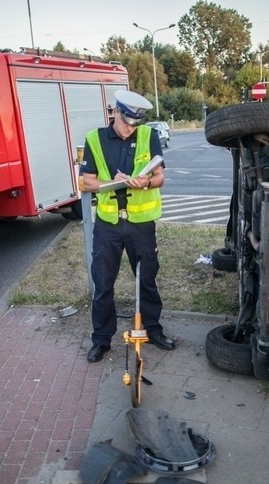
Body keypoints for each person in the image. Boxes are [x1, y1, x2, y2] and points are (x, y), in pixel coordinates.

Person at [80, 89, 175, 363]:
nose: (129, 129)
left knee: (146, 280)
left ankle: (153, 330)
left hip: (141, 224)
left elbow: (159, 177)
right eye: (126, 122)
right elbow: (87, 182)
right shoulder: (95, 139)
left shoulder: (149, 136)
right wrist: (116, 183)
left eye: (135, 125)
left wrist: (145, 181)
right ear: (116, 112)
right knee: (103, 283)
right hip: (108, 225)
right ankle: (101, 340)